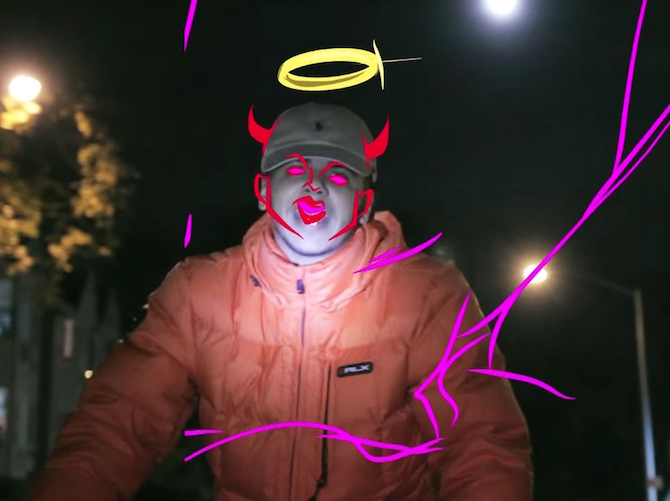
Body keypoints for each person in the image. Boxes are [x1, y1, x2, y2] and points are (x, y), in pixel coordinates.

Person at [26, 103, 533, 501]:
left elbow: (482, 445)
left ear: (365, 200)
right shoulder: (198, 292)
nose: (314, 186)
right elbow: (117, 425)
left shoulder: (428, 296)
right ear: (262, 189)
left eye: (338, 175)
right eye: (294, 169)